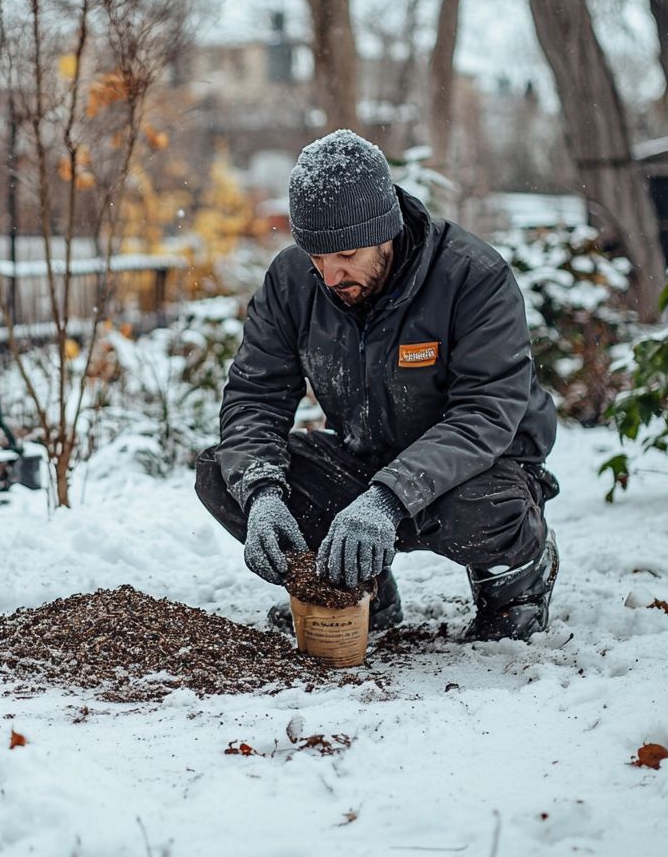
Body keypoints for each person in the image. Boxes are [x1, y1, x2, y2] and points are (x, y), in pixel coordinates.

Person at [195, 130, 560, 641]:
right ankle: (356, 588)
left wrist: (388, 499)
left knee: (481, 506)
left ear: (385, 229)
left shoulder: (472, 277)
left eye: (346, 254)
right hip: (365, 457)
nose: (330, 274)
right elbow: (255, 396)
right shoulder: (292, 281)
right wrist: (261, 495)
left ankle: (517, 581)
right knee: (227, 473)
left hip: (479, 467)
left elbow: (484, 414)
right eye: (316, 256)